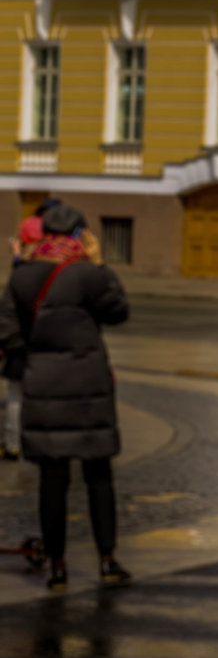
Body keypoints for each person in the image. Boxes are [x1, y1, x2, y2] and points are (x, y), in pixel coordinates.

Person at [0, 202, 131, 590]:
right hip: (89, 386)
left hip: (44, 385)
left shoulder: (21, 277)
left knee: (52, 480)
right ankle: (107, 560)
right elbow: (118, 312)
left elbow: (5, 330)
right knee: (98, 476)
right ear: (81, 235)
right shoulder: (89, 275)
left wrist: (33, 357)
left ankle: (57, 566)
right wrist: (101, 264)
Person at [3, 197, 61, 461]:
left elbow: (8, 309)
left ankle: (12, 443)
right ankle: (46, 442)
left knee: (15, 395)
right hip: (49, 342)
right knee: (49, 396)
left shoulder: (21, 271)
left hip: (20, 342)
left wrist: (8, 341)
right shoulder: (62, 265)